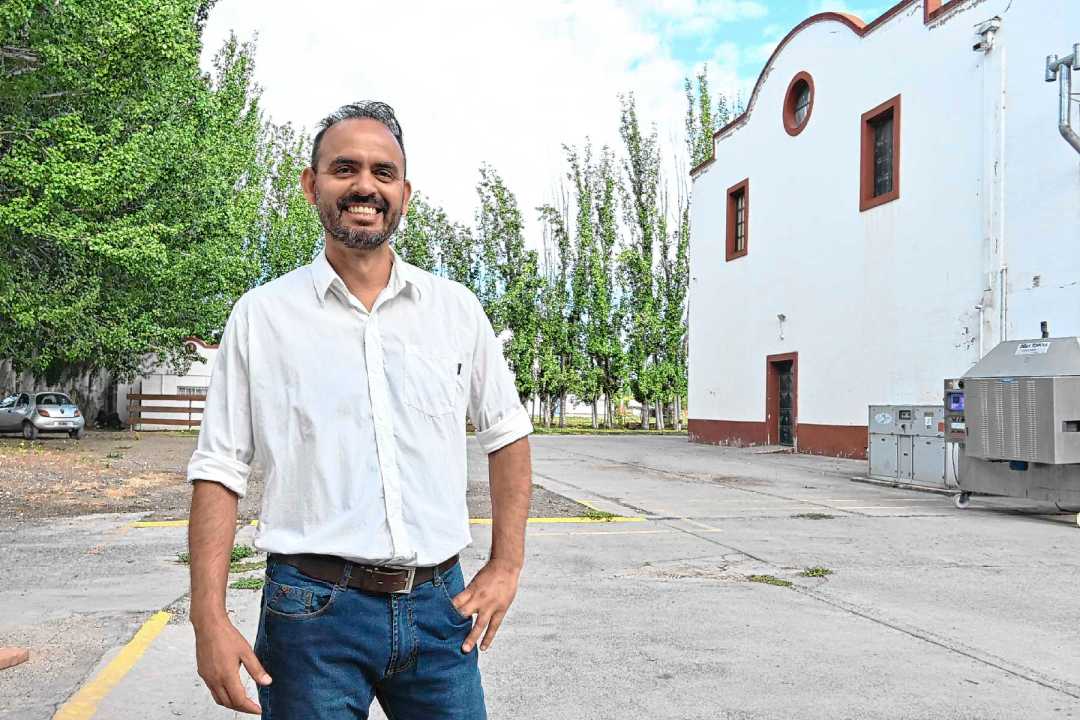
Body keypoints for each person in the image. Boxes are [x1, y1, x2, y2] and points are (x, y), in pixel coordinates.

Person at [186, 101, 533, 719]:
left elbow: (507, 435)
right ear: (311, 184)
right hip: (310, 616)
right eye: (344, 168)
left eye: (383, 171)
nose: (365, 185)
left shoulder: (454, 310)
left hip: (440, 611)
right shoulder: (263, 317)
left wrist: (506, 563)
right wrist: (207, 617)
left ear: (404, 191)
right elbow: (220, 469)